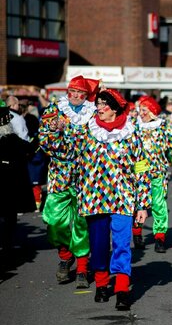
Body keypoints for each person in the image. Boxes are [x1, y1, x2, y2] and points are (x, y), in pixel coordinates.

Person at [68, 89, 150, 310]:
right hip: (94, 198)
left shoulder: (131, 133)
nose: (99, 108)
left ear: (114, 108)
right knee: (99, 243)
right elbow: (71, 158)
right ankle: (102, 284)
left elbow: (142, 168)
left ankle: (122, 289)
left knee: (122, 243)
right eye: (98, 103)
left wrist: (143, 203)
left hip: (123, 197)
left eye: (104, 104)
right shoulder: (86, 131)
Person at [39, 76, 98, 289]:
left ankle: (83, 267)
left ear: (86, 95)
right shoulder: (54, 110)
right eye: (72, 91)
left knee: (82, 222)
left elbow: (96, 143)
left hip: (86, 176)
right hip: (59, 175)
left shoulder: (93, 114)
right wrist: (59, 133)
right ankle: (65, 255)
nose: (75, 96)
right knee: (53, 220)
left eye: (80, 93)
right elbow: (45, 142)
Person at [133, 96, 172, 253]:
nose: (140, 113)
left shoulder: (163, 127)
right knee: (137, 204)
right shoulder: (134, 127)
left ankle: (160, 237)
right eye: (140, 110)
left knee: (159, 205)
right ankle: (137, 234)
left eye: (144, 110)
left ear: (152, 112)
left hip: (158, 171)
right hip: (139, 172)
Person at [0, 106, 36, 254]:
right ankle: (7, 244)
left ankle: (7, 244)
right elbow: (31, 148)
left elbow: (29, 148)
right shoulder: (13, 139)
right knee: (9, 216)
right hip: (11, 184)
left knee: (9, 216)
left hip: (10, 184)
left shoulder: (12, 139)